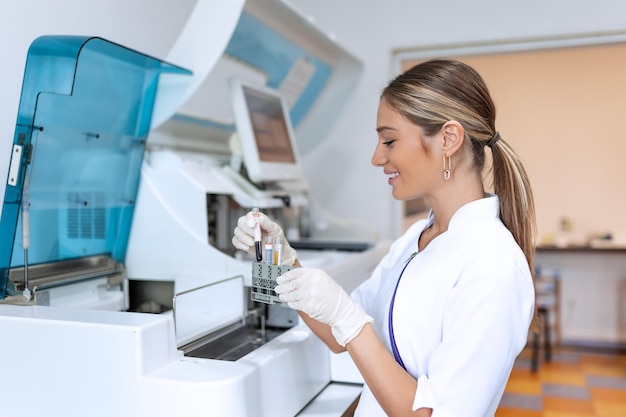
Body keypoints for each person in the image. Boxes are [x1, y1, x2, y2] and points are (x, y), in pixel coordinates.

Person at [232, 59, 536, 417]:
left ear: (448, 139)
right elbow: (337, 334)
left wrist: (350, 321)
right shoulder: (416, 239)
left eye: (389, 140)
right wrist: (280, 260)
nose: (378, 158)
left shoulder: (493, 265)